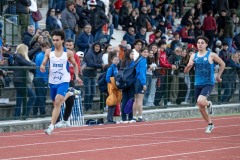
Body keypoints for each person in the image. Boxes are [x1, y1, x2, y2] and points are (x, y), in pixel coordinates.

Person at [40, 29, 82, 135]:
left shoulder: (68, 53)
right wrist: (42, 66)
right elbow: (44, 61)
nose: (55, 42)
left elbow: (75, 65)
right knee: (56, 104)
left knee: (58, 101)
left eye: (57, 40)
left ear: (62, 40)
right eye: (53, 40)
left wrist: (76, 76)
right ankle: (70, 92)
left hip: (64, 80)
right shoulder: (49, 52)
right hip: (52, 81)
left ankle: (51, 126)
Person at [184, 36, 225, 133]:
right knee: (200, 106)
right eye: (198, 43)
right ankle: (210, 124)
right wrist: (188, 67)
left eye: (202, 43)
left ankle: (208, 103)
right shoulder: (193, 56)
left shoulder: (211, 55)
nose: (200, 44)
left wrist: (218, 76)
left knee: (201, 101)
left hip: (208, 83)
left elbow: (222, 64)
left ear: (206, 44)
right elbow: (186, 71)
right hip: (198, 83)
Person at [55, 39, 81, 128]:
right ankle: (57, 121)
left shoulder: (75, 56)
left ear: (73, 46)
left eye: (70, 45)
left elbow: (76, 68)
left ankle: (65, 119)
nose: (69, 47)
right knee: (58, 100)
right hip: (60, 80)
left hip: (70, 80)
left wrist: (71, 72)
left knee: (70, 101)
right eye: (67, 45)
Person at [130, 47, 149, 122]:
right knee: (140, 100)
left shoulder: (138, 60)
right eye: (144, 52)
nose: (146, 53)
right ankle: (140, 117)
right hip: (140, 81)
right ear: (141, 53)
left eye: (147, 52)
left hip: (135, 81)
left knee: (136, 100)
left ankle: (134, 117)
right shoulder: (143, 61)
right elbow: (142, 73)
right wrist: (144, 84)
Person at [33, 42, 51, 116]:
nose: (48, 50)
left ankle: (35, 112)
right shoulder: (41, 56)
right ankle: (42, 113)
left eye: (48, 48)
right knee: (41, 97)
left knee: (39, 97)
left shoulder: (44, 55)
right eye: (46, 48)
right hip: (40, 78)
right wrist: (46, 81)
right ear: (42, 48)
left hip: (41, 78)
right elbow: (43, 70)